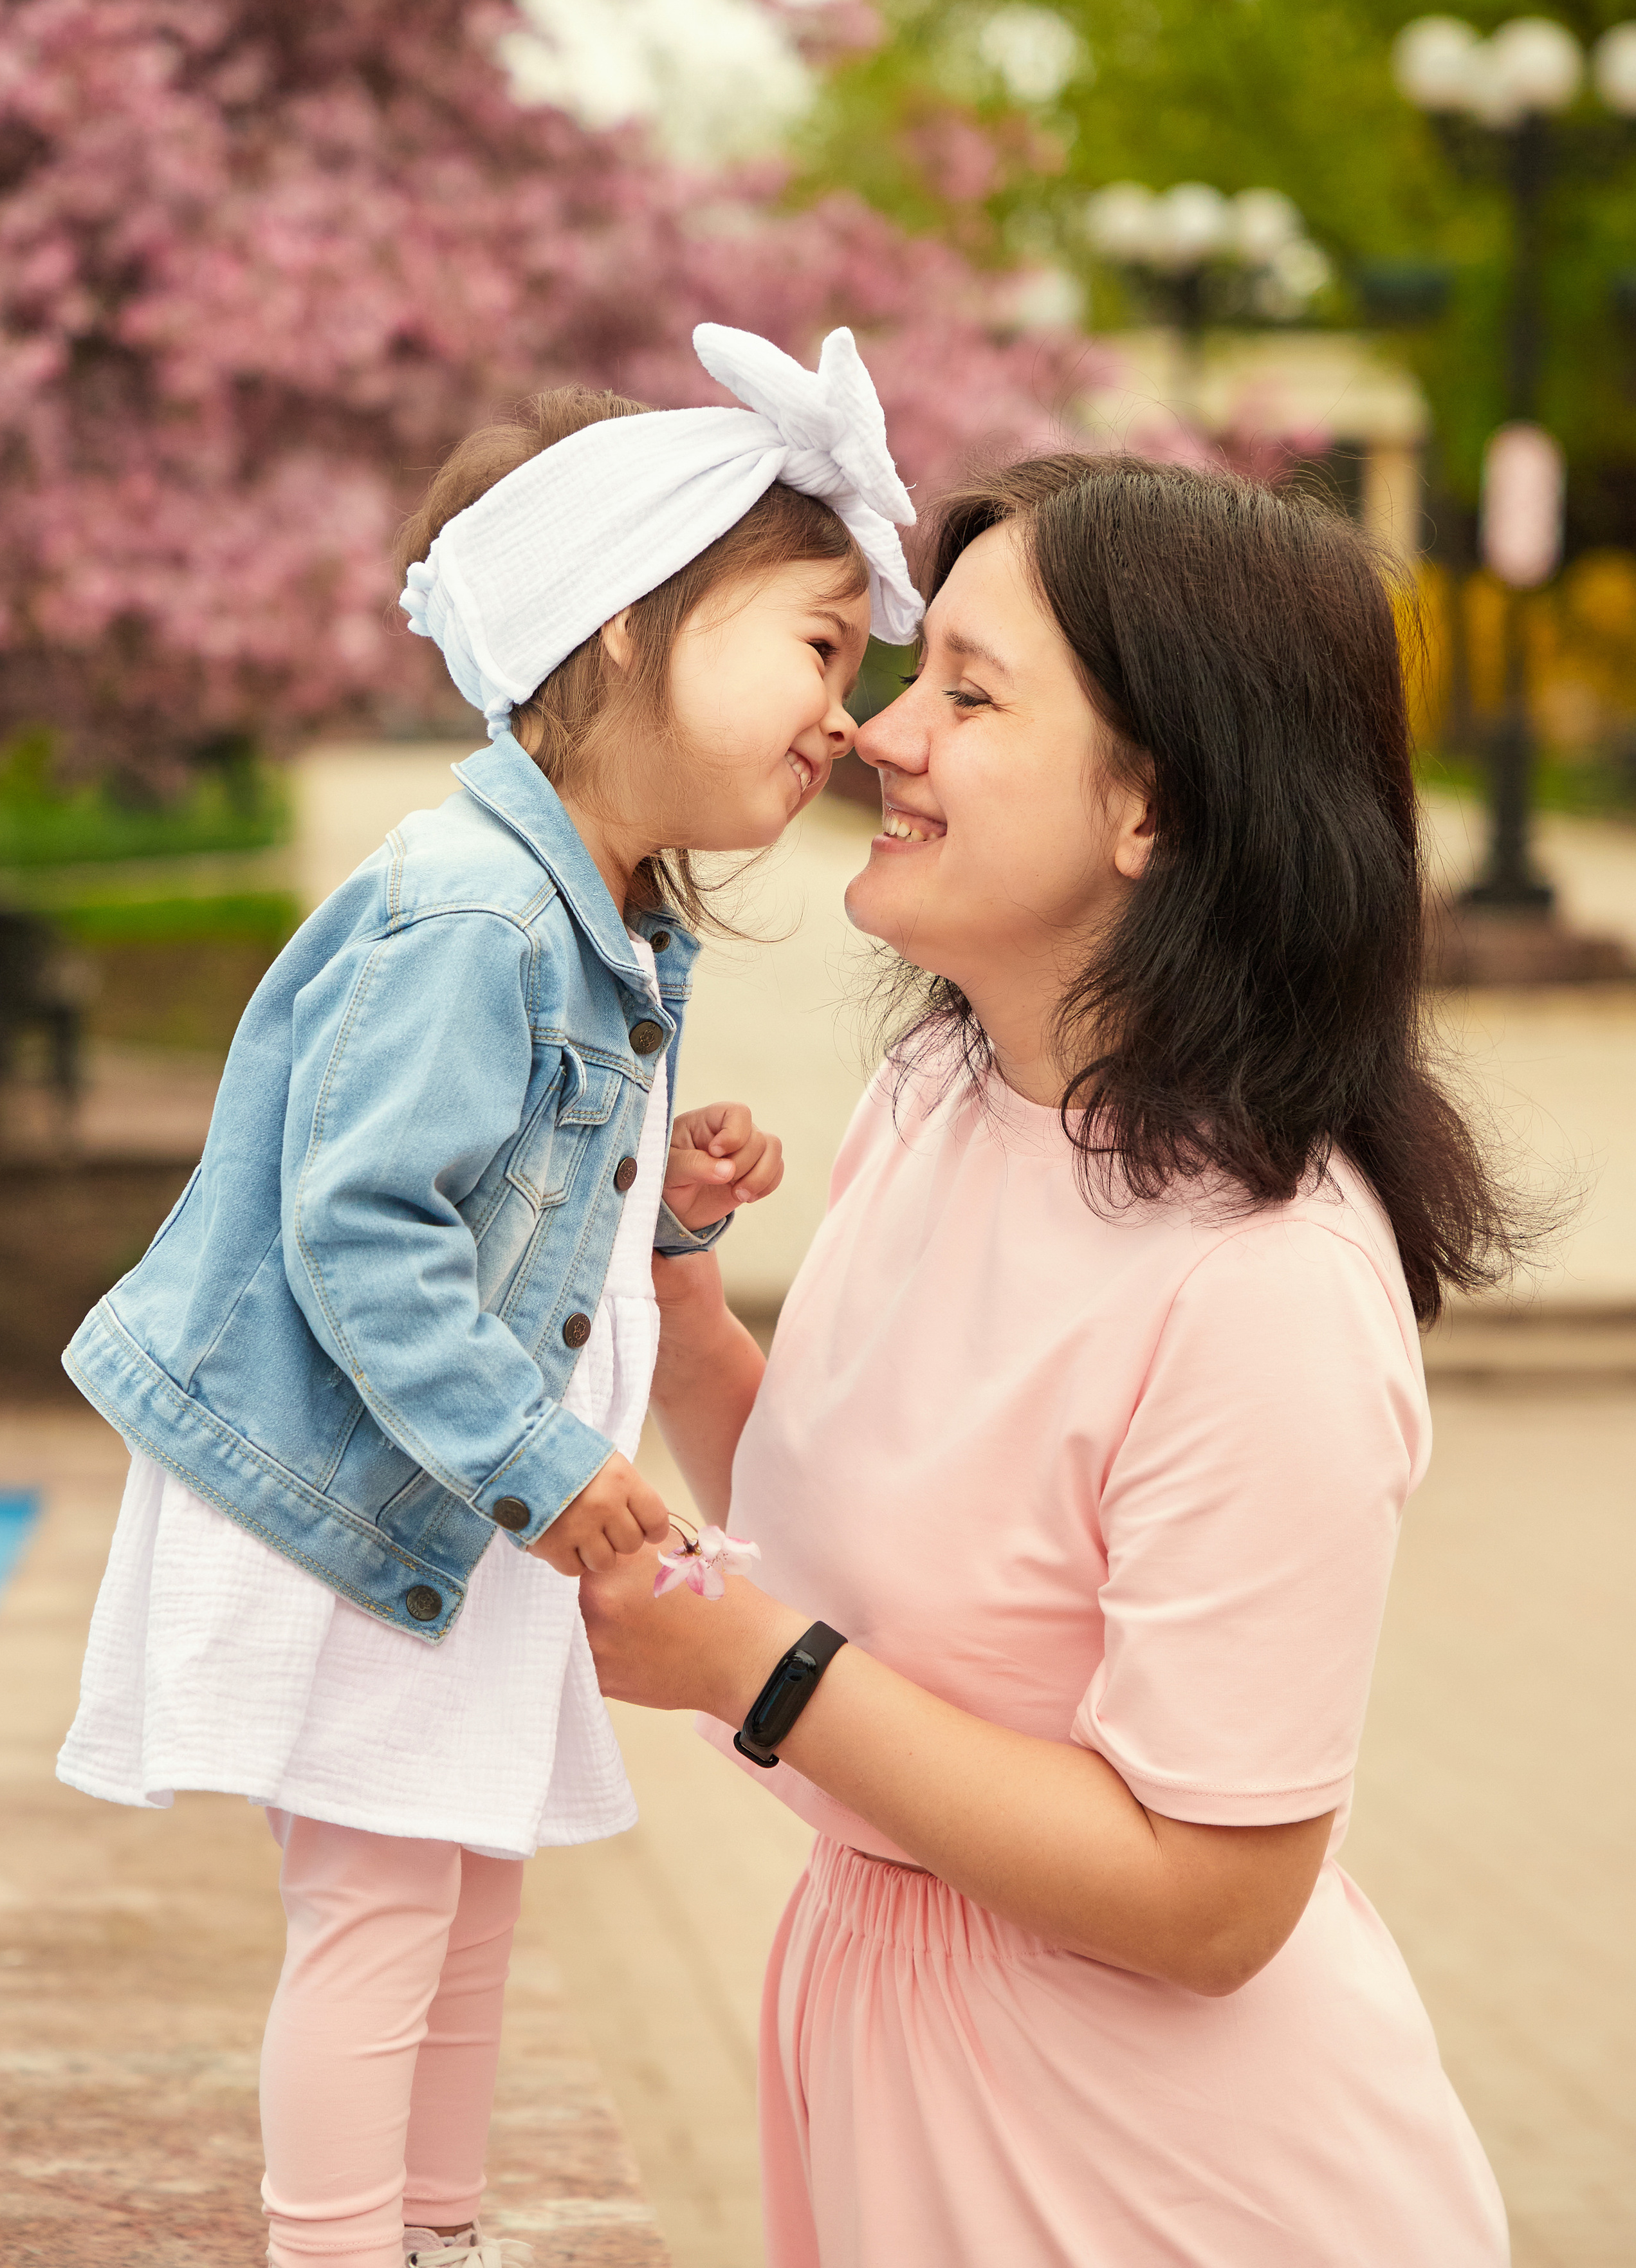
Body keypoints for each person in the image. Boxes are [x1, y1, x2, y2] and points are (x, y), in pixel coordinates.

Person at [582, 454, 1520, 2267]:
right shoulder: (943, 1094)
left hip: (1152, 2169)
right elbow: (880, 1546)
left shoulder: (1265, 1281)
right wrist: (686, 1318)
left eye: (969, 693)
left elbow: (1217, 1896)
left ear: (1153, 809)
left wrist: (758, 1673)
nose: (878, 734)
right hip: (896, 2061)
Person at [55, 325, 924, 2268]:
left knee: (463, 1889)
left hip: (450, 1491)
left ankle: (430, 2229)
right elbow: (362, 1235)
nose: (845, 718)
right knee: (381, 1906)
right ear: (618, 630)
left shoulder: (588, 909)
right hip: (371, 1494)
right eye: (810, 644)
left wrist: (665, 1224)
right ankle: (342, 2240)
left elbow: (511, 1216)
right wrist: (538, 1456)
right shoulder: (474, 910)